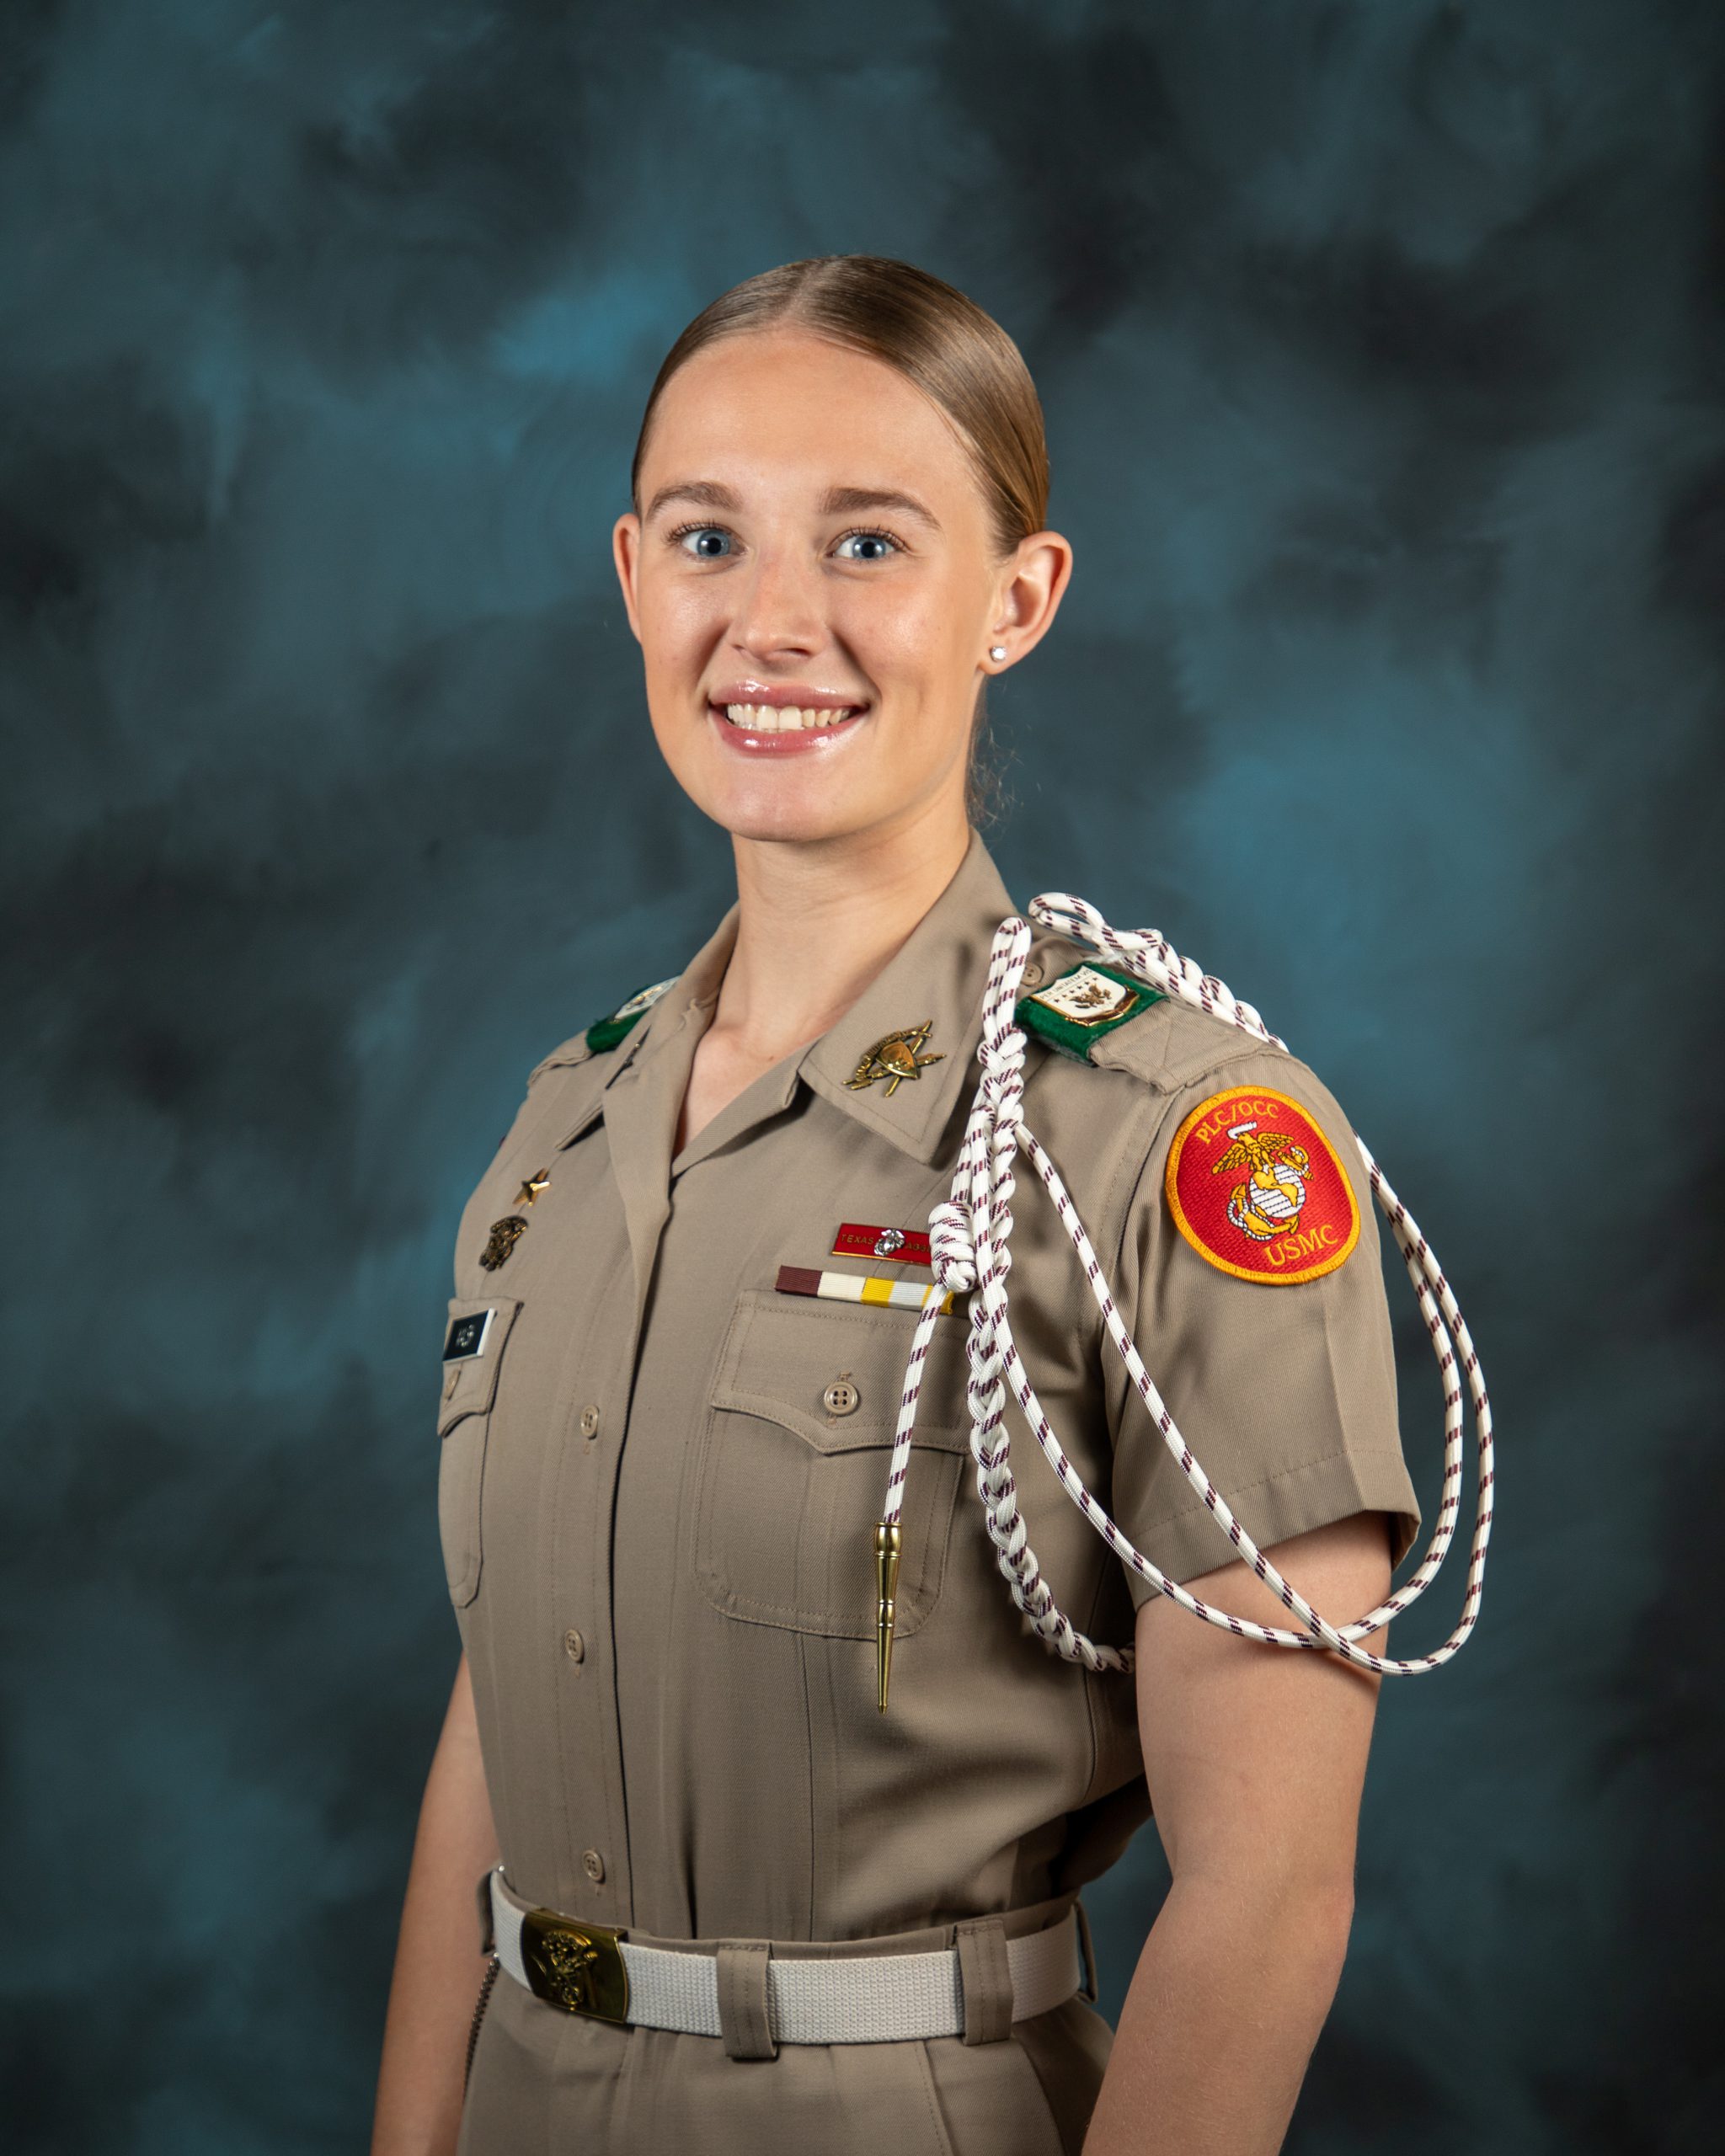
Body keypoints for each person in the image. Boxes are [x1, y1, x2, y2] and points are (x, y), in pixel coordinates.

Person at [371, 254, 1434, 2156]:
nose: (770, 623)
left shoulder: (1166, 1137)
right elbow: (508, 1695)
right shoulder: (565, 1124)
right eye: (710, 537)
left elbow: (1268, 1895)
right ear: (632, 579)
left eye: (867, 545)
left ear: (1013, 601)